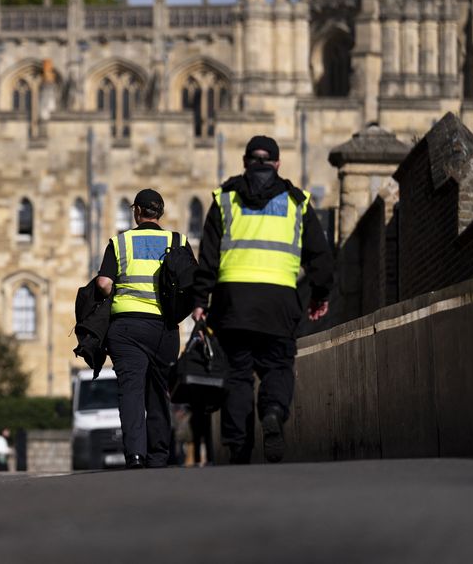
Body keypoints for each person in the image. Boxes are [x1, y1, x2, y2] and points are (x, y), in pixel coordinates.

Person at [192, 136, 333, 464]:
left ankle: (239, 446)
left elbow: (208, 257)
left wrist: (200, 300)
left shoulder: (225, 199)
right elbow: (320, 257)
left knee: (237, 374)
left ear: (245, 161)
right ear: (277, 164)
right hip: (279, 302)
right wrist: (321, 294)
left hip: (232, 304)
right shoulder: (297, 202)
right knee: (278, 367)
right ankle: (271, 411)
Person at [97, 189, 196, 469]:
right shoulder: (178, 241)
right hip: (164, 328)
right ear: (160, 213)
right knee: (159, 390)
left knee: (130, 391)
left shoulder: (120, 242)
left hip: (127, 328)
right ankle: (159, 455)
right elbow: (193, 283)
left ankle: (135, 455)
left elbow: (104, 284)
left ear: (137, 212)